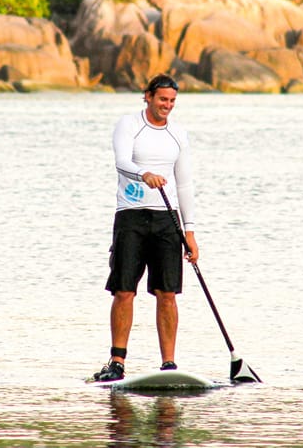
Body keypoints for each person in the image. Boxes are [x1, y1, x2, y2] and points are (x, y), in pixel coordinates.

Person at [92, 74, 199, 382]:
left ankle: (168, 365)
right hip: (132, 217)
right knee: (124, 291)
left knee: (167, 293)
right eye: (162, 99)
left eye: (172, 101)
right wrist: (144, 174)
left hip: (168, 219)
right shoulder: (129, 125)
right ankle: (117, 362)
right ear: (148, 97)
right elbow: (121, 162)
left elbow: (185, 184)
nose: (167, 105)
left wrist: (189, 232)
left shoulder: (178, 134)